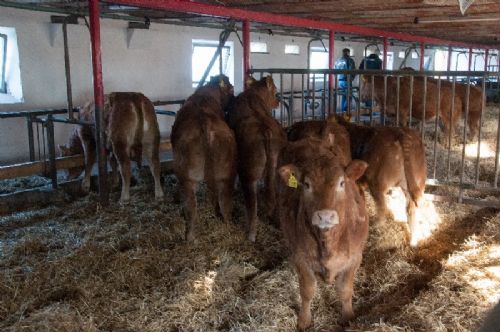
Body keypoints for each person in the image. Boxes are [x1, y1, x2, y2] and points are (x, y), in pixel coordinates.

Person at [334, 48, 356, 113]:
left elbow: (334, 70)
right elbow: (353, 70)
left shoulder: (338, 61)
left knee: (344, 95)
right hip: (347, 80)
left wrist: (338, 78)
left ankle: (343, 110)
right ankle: (346, 110)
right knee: (349, 95)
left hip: (340, 81)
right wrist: (351, 79)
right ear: (348, 53)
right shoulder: (350, 60)